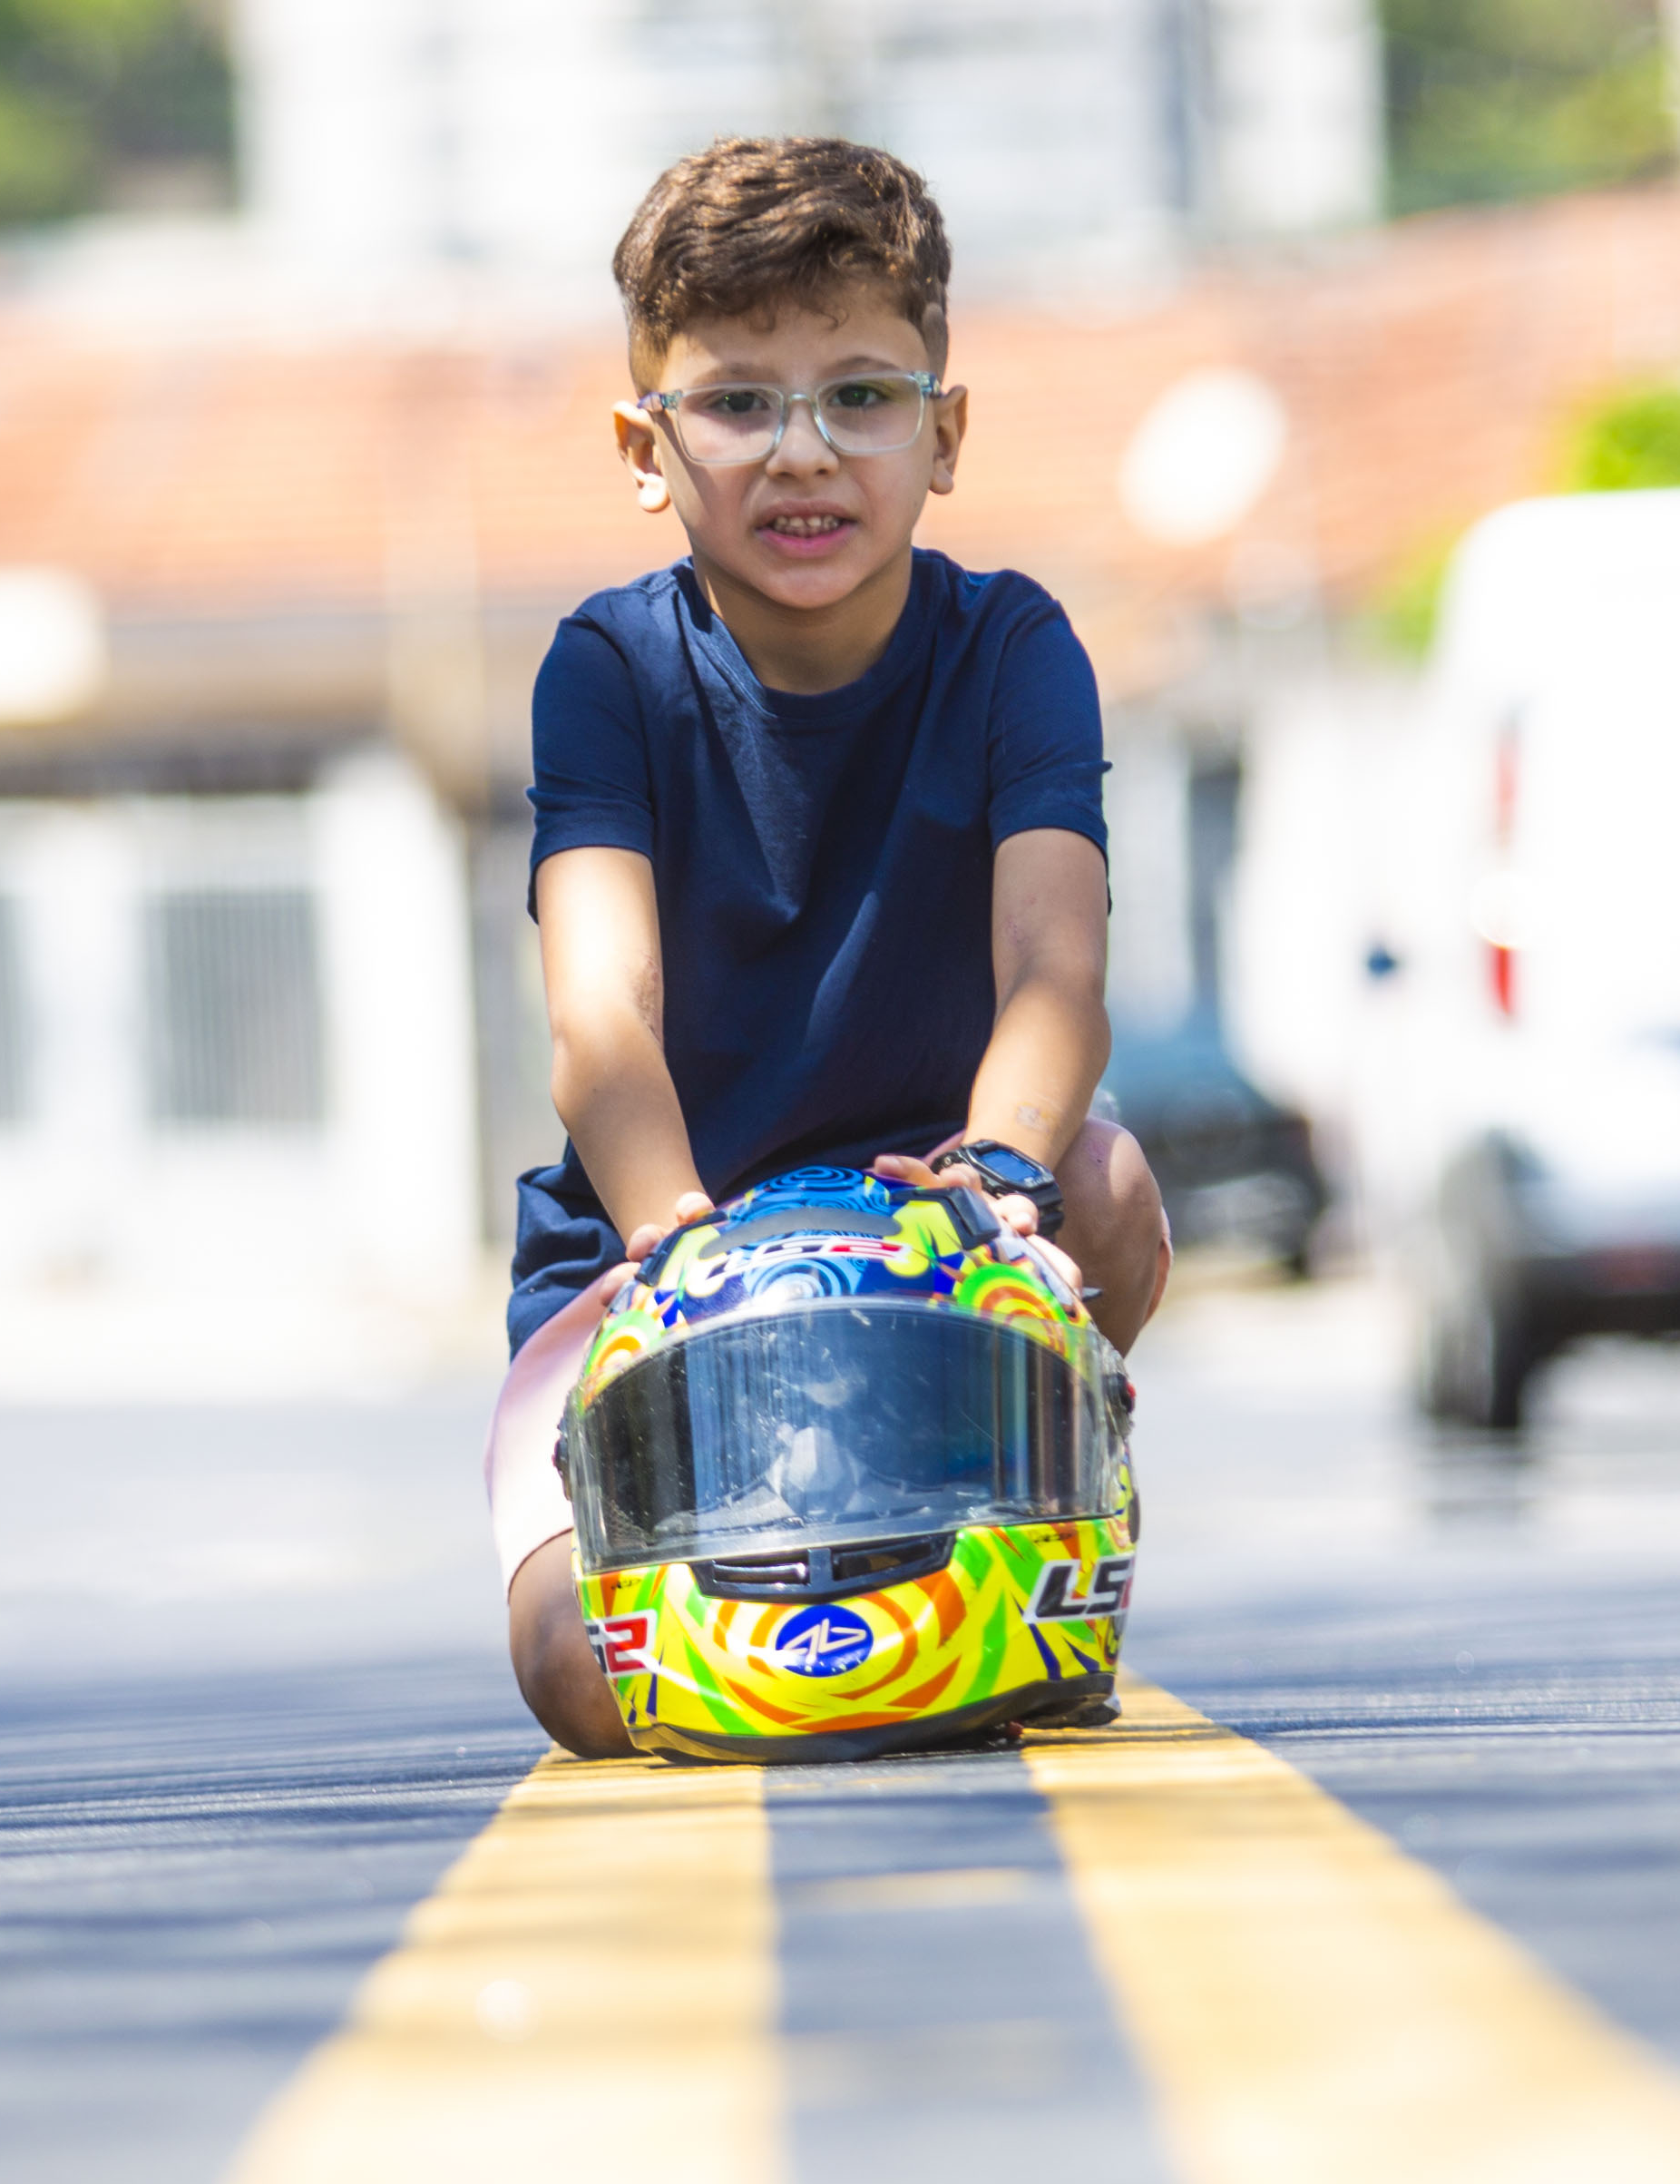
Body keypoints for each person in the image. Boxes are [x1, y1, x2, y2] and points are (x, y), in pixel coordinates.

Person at [489, 134, 1172, 1754]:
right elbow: (602, 1015)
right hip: (666, 1256)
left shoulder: (1014, 645)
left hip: (931, 1224)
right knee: (591, 1685)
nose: (804, 455)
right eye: (738, 404)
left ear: (943, 436)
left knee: (1119, 1186)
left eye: (860, 398)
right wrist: (677, 1246)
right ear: (644, 446)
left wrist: (1007, 1180)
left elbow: (1053, 972)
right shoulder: (608, 668)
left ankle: (1032, 1500)